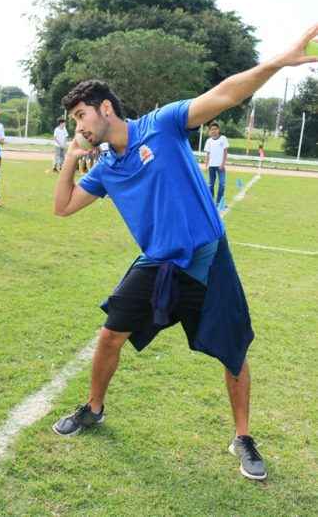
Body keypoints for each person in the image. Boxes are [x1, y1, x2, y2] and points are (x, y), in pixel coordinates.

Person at [51, 24, 318, 481]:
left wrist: (276, 62)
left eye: (81, 115)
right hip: (158, 263)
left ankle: (243, 437)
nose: (79, 125)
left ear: (106, 108)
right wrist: (72, 159)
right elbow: (63, 207)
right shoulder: (107, 169)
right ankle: (94, 408)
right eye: (75, 120)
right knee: (109, 334)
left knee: (233, 352)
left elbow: (225, 94)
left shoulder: (162, 124)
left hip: (208, 259)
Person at [204, 121, 229, 206]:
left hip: (220, 166)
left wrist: (223, 164)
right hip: (211, 166)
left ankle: (218, 202)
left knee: (222, 184)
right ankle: (211, 202)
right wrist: (206, 165)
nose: (213, 131)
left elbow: (225, 152)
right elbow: (207, 154)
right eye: (212, 129)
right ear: (210, 131)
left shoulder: (223, 139)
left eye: (215, 129)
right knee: (210, 185)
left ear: (218, 130)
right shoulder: (209, 141)